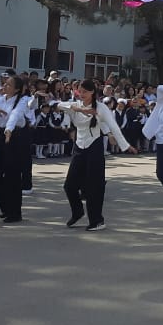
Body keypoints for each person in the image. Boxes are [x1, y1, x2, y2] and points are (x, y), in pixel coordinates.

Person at [58, 79, 134, 231]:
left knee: (94, 186)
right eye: (80, 91)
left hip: (94, 146)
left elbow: (113, 126)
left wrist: (125, 145)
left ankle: (97, 220)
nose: (82, 94)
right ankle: (78, 211)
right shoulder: (76, 105)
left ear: (92, 92)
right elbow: (58, 104)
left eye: (85, 92)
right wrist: (80, 110)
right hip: (79, 146)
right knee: (69, 186)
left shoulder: (101, 108)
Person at [0, 76, 35, 223]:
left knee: (12, 177)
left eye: (9, 85)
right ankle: (6, 207)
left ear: (16, 89)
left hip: (15, 137)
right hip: (0, 137)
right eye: (5, 83)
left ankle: (15, 212)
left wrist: (9, 130)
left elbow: (15, 115)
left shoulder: (22, 100)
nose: (5, 86)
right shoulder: (1, 99)